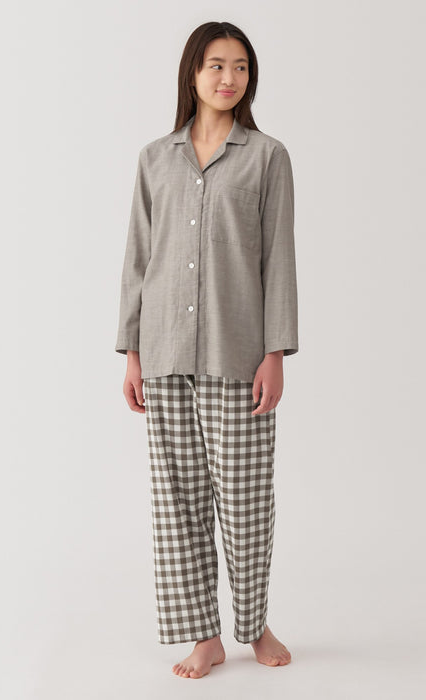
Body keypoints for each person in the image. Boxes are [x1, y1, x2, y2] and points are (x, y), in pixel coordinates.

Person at [115, 21, 299, 679]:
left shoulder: (267, 157)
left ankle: (254, 625)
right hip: (164, 350)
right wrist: (132, 351)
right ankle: (204, 636)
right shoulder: (154, 159)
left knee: (246, 502)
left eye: (241, 67)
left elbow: (279, 259)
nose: (229, 78)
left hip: (237, 352)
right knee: (179, 504)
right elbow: (139, 258)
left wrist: (275, 351)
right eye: (216, 65)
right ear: (192, 73)